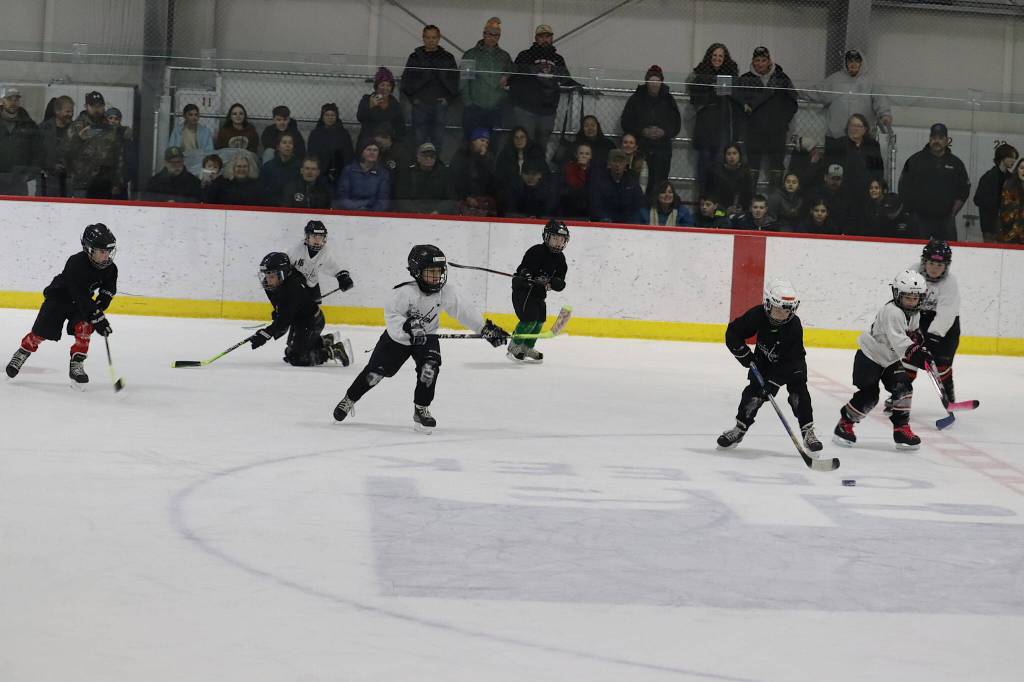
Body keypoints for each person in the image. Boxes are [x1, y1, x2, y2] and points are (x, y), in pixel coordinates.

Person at [332, 244, 510, 432]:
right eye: (430, 272)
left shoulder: (446, 292)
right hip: (398, 339)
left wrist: (485, 328)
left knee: (429, 369)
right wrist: (408, 327)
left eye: (439, 271)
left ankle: (421, 409)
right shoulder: (403, 293)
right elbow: (392, 318)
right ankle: (349, 399)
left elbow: (464, 311)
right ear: (417, 272)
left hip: (428, 336)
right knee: (373, 375)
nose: (436, 277)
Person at [716, 279, 821, 452]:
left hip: (792, 364)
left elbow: (789, 362)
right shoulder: (758, 315)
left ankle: (808, 431)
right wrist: (745, 356)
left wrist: (771, 383)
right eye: (778, 310)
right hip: (764, 361)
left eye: (786, 311)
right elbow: (733, 332)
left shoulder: (793, 325)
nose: (782, 315)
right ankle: (740, 428)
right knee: (753, 396)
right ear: (768, 304)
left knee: (798, 395)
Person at [6, 224, 117, 386]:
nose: (106, 256)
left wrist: (100, 308)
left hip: (81, 303)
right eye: (102, 251)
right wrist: (95, 314)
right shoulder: (75, 262)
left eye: (108, 251)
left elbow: (108, 290)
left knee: (85, 327)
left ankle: (77, 363)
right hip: (59, 299)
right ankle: (23, 352)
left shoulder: (111, 269)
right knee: (40, 333)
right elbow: (77, 293)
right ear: (89, 249)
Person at [834, 269, 930, 450]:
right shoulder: (892, 312)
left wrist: (922, 348)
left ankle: (901, 429)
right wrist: (917, 354)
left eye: (915, 298)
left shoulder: (915, 314)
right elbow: (900, 341)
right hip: (869, 357)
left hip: (889, 359)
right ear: (897, 295)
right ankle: (844, 424)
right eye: (907, 297)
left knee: (904, 387)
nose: (911, 302)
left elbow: (914, 335)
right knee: (870, 396)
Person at [249, 252, 351, 367]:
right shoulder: (273, 284)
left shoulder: (292, 289)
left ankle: (335, 350)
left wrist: (266, 334)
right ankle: (324, 340)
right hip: (299, 320)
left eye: (271, 276)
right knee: (289, 352)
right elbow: (281, 310)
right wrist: (276, 317)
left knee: (297, 359)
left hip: (311, 321)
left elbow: (284, 320)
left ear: (283, 273)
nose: (268, 280)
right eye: (266, 276)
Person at [509, 24, 579, 157]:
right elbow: (514, 74)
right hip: (526, 110)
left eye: (547, 36)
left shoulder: (558, 59)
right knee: (524, 145)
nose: (545, 39)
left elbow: (566, 79)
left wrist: (582, 87)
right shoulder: (525, 55)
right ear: (536, 38)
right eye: (541, 36)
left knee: (542, 147)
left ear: (552, 38)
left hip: (548, 111)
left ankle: (539, 174)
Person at [904, 239, 960, 402]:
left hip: (946, 327)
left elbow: (947, 312)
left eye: (940, 265)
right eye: (931, 263)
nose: (935, 269)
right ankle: (900, 394)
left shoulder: (950, 282)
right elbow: (903, 302)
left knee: (941, 363)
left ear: (946, 266)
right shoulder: (912, 274)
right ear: (924, 262)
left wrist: (934, 336)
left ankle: (948, 394)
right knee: (909, 358)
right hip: (918, 320)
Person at [507, 220, 569, 362]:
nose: (559, 242)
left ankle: (527, 347)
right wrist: (526, 274)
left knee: (539, 321)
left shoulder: (560, 258)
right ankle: (514, 345)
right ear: (546, 237)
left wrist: (556, 283)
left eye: (562, 239)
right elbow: (523, 268)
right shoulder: (536, 251)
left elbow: (560, 282)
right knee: (529, 320)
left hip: (539, 293)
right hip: (523, 291)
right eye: (555, 238)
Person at [898, 123, 970, 241]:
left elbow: (964, 189)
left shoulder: (956, 164)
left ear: (947, 140)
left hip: (946, 220)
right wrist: (910, 213)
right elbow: (903, 187)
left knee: (948, 254)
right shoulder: (914, 161)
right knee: (915, 252)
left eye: (940, 138)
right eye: (933, 138)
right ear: (930, 139)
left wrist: (952, 213)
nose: (936, 141)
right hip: (919, 220)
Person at [805, 49, 893, 144]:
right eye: (850, 61)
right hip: (836, 136)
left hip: (862, 138)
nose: (853, 64)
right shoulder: (835, 79)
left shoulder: (871, 81)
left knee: (860, 159)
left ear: (862, 63)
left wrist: (885, 114)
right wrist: (793, 92)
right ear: (845, 63)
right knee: (835, 159)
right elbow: (817, 92)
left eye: (857, 61)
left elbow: (880, 99)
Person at [737, 46, 797, 186]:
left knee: (776, 166)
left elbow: (793, 102)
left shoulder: (782, 78)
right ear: (752, 61)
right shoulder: (745, 79)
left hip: (777, 131)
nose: (760, 64)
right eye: (757, 60)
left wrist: (782, 120)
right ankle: (750, 201)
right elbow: (738, 103)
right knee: (752, 166)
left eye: (763, 60)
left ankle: (775, 203)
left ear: (769, 61)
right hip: (753, 131)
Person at [688, 43, 744, 185]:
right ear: (709, 56)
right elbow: (694, 99)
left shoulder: (732, 76)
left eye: (721, 56)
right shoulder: (699, 75)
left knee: (720, 170)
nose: (717, 58)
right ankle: (703, 203)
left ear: (725, 58)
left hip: (724, 128)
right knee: (704, 169)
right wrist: (711, 91)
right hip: (705, 129)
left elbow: (737, 100)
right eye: (714, 55)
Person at [620, 65, 681, 192]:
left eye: (657, 80)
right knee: (638, 181)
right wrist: (642, 131)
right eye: (651, 80)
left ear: (661, 82)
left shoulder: (669, 100)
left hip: (662, 149)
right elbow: (626, 122)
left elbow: (676, 125)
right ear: (646, 81)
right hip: (641, 147)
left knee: (660, 183)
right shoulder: (636, 99)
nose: (654, 83)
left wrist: (664, 132)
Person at [401, 24, 459, 152]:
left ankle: (436, 168)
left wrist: (448, 99)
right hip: (420, 105)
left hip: (440, 105)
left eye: (433, 37)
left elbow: (455, 81)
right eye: (428, 37)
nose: (431, 40)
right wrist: (414, 99)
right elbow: (406, 81)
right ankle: (417, 167)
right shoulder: (414, 57)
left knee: (438, 140)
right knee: (418, 140)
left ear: (439, 38)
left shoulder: (447, 58)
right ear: (423, 38)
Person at [460, 17, 514, 141]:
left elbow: (513, 67)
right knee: (471, 144)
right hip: (474, 109)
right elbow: (464, 81)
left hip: (495, 109)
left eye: (496, 35)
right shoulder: (471, 54)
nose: (493, 37)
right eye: (490, 34)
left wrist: (506, 75)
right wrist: (469, 104)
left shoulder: (504, 56)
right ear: (484, 34)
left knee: (493, 145)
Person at [826, 113, 883, 223]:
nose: (855, 129)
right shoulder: (839, 145)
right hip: (844, 193)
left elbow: (878, 169)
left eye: (859, 126)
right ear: (847, 127)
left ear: (865, 129)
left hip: (866, 193)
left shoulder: (872, 146)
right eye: (852, 125)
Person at [65, 91, 123, 199]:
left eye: (100, 106)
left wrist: (116, 182)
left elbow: (117, 155)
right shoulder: (77, 127)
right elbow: (66, 153)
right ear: (86, 106)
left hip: (105, 183)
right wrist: (79, 139)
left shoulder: (109, 128)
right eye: (93, 106)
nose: (97, 109)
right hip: (82, 184)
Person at [286, 220, 354, 304]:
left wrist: (343, 278)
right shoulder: (296, 250)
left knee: (314, 312)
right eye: (314, 237)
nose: (317, 241)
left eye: (320, 237)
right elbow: (284, 266)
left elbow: (334, 266)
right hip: (294, 285)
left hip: (312, 285)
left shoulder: (325, 251)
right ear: (307, 237)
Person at [392, 142, 456, 214]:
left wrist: (437, 212)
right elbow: (402, 198)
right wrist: (416, 212)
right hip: (412, 215)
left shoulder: (445, 174)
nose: (428, 158)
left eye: (432, 156)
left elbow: (450, 199)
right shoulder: (407, 173)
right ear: (418, 157)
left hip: (437, 215)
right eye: (425, 155)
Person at [0, 86, 41, 196]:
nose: (13, 102)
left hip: (19, 182)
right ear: (1, 101)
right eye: (9, 99)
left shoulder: (30, 125)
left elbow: (38, 151)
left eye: (16, 99)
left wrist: (30, 174)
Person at [974, 143, 1018, 242]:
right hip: (991, 224)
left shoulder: (1012, 178)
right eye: (1011, 157)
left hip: (1008, 225)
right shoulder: (989, 177)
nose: (1014, 161)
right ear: (1003, 157)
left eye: (1015, 158)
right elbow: (978, 199)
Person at [589, 149, 646, 224]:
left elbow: (638, 206)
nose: (617, 165)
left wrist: (631, 223)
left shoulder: (632, 183)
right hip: (605, 225)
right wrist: (603, 218)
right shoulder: (599, 182)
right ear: (609, 164)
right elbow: (596, 205)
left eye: (621, 162)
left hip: (628, 225)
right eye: (615, 161)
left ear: (625, 164)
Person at [450, 128, 498, 216]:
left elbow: (491, 180)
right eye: (482, 140)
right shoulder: (461, 155)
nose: (484, 144)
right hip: (462, 199)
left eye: (487, 142)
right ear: (473, 141)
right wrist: (465, 197)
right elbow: (455, 178)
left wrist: (483, 159)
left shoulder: (489, 158)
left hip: (481, 201)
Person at [334, 140, 390, 212]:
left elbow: (383, 200)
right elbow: (342, 197)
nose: (372, 152)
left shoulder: (383, 173)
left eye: (375, 150)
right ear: (362, 152)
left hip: (373, 216)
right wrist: (362, 206)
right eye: (368, 149)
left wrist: (370, 213)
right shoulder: (349, 171)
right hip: (350, 214)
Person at [306, 102, 354, 184]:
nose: (330, 118)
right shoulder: (315, 133)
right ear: (322, 117)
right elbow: (312, 154)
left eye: (332, 115)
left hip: (339, 173)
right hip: (320, 173)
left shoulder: (343, 134)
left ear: (336, 117)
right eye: (327, 115)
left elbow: (348, 154)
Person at [356, 67, 405, 145]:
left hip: (388, 142)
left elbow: (400, 127)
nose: (385, 88)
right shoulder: (367, 99)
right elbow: (360, 117)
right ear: (376, 86)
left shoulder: (395, 104)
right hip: (369, 141)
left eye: (388, 85)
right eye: (382, 85)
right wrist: (370, 106)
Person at [37, 94, 74, 196]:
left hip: (67, 181)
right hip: (46, 180)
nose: (70, 114)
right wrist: (50, 166)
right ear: (57, 111)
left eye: (71, 111)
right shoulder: (43, 129)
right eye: (67, 111)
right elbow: (35, 153)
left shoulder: (76, 129)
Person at [705, 143, 752, 215]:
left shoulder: (745, 173)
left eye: (734, 153)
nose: (732, 157)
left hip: (740, 211)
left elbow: (748, 196)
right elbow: (712, 196)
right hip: (719, 211)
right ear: (724, 156)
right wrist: (725, 211)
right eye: (728, 154)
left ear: (740, 155)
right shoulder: (716, 173)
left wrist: (740, 208)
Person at [261, 132, 302, 199]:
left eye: (290, 143)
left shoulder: (299, 167)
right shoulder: (268, 167)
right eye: (284, 142)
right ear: (278, 147)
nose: (287, 145)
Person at [558, 142, 591, 219]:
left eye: (587, 154)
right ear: (576, 155)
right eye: (581, 153)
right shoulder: (569, 168)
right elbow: (574, 185)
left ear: (591, 156)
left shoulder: (595, 170)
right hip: (571, 207)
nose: (584, 156)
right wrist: (581, 168)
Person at [998, 157, 1024, 243]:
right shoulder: (1009, 185)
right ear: (1017, 170)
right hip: (1011, 233)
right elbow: (1009, 208)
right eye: (1022, 168)